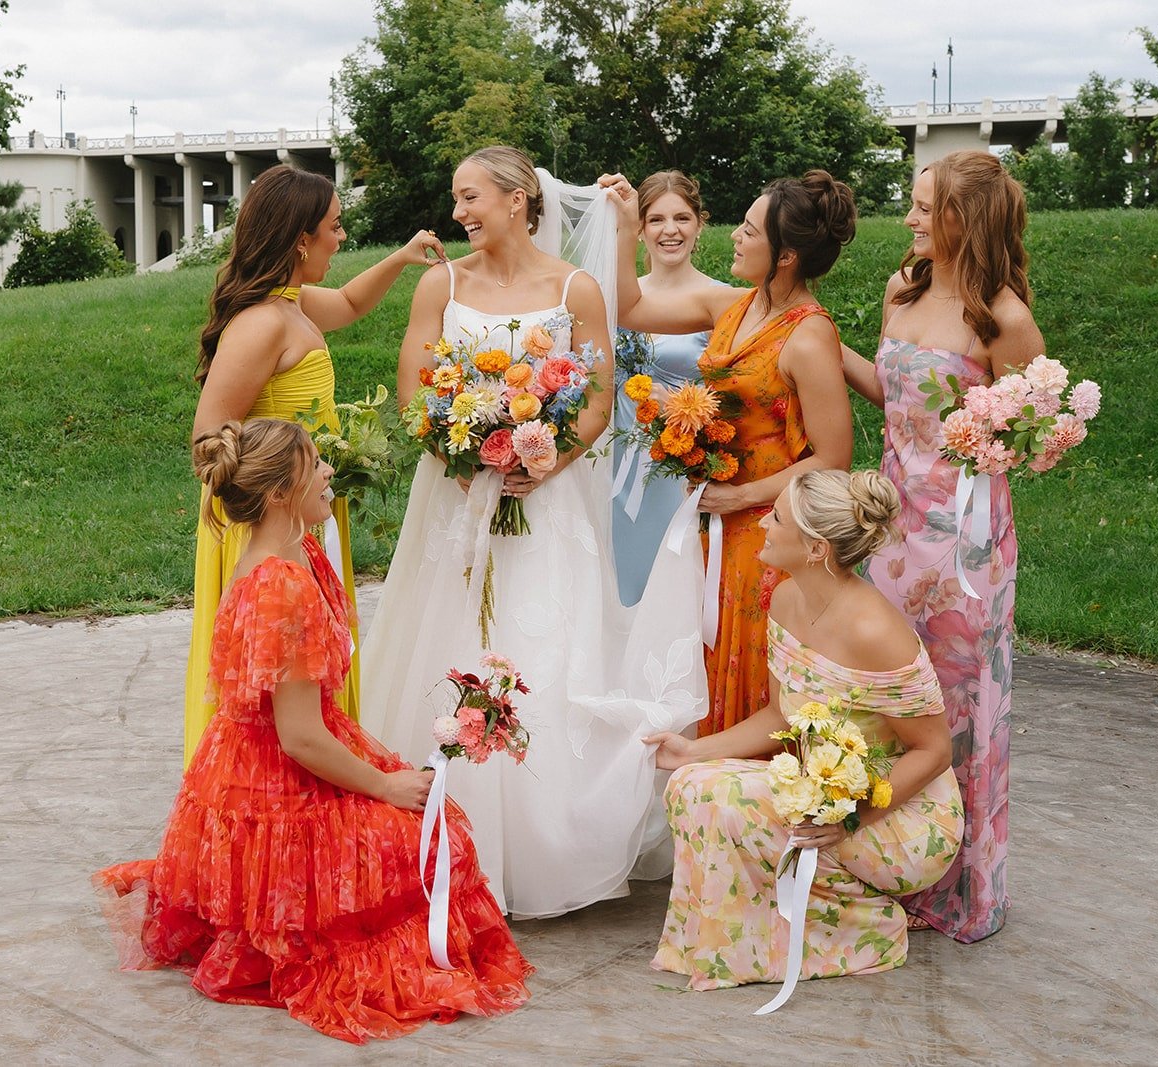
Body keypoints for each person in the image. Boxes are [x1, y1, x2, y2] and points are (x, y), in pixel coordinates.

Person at [95, 419, 532, 1045]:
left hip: (269, 753)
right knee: (430, 841)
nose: (330, 472)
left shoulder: (297, 551)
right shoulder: (280, 585)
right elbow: (298, 737)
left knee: (425, 832)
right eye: (316, 464)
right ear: (280, 493)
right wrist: (383, 785)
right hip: (277, 774)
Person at [361, 146, 707, 918]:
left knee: (545, 644)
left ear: (518, 199)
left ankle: (545, 845)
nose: (459, 213)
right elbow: (416, 387)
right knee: (447, 637)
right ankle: (446, 835)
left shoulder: (575, 287)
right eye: (457, 199)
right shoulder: (441, 284)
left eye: (471, 197)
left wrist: (545, 461)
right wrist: (457, 453)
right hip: (456, 498)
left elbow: (597, 396)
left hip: (548, 503)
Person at [644, 469, 962, 989]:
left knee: (721, 798)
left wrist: (852, 818)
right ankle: (741, 947)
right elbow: (781, 716)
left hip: (899, 815)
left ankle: (868, 923)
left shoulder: (874, 632)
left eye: (777, 518)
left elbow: (933, 751)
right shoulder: (788, 598)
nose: (763, 524)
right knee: (689, 784)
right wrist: (692, 751)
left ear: (816, 549)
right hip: (822, 793)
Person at [840, 150, 1045, 943]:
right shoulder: (903, 288)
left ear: (965, 218)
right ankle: (881, 863)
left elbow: (1028, 436)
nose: (911, 219)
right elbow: (890, 396)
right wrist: (815, 338)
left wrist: (1006, 441)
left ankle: (957, 886)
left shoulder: (1004, 319)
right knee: (890, 697)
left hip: (965, 543)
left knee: (958, 706)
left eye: (926, 208)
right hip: (892, 532)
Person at [183, 165, 445, 766]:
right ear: (302, 239)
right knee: (277, 674)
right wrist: (289, 480)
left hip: (304, 503)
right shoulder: (262, 323)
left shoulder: (293, 304)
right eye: (335, 225)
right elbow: (208, 437)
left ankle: (318, 773)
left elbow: (350, 303)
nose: (343, 237)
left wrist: (402, 258)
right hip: (269, 515)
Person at [602, 169, 856, 734]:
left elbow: (833, 459)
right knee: (710, 651)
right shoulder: (735, 308)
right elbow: (628, 307)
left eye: (749, 230)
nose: (735, 237)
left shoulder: (808, 335)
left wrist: (740, 496)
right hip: (715, 516)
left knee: (755, 659)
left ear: (785, 256)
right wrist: (623, 226)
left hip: (766, 523)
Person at [610, 170, 727, 606]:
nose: (670, 230)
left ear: (699, 225)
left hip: (678, 463)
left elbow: (736, 396)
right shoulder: (619, 296)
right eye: (656, 219)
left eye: (681, 218)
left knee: (672, 586)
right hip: (613, 458)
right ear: (640, 229)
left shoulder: (722, 299)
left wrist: (681, 405)